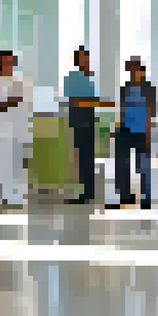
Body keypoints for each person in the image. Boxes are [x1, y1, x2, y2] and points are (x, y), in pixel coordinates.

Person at [63, 46, 112, 205]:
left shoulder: (89, 78)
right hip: (79, 122)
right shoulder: (72, 77)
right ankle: (85, 193)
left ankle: (89, 192)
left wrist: (98, 103)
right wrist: (101, 102)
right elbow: (77, 100)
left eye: (88, 58)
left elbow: (88, 100)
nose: (86, 61)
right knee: (83, 159)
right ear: (77, 60)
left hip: (89, 122)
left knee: (88, 158)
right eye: (83, 58)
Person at [109, 57, 158, 210]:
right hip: (124, 130)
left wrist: (149, 131)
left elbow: (152, 112)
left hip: (142, 131)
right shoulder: (124, 89)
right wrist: (116, 128)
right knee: (122, 164)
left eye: (136, 70)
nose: (133, 73)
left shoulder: (149, 89)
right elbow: (121, 110)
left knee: (143, 166)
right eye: (130, 70)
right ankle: (125, 196)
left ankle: (145, 198)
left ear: (141, 71)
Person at [0, 50, 33, 208]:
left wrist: (9, 102)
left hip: (18, 128)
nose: (8, 65)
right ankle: (7, 196)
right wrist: (10, 101)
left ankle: (18, 195)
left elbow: (22, 101)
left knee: (18, 164)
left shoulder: (20, 81)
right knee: (5, 164)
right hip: (2, 130)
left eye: (10, 61)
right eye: (4, 61)